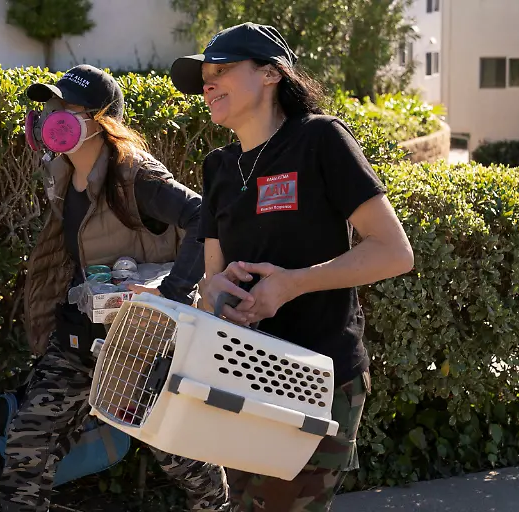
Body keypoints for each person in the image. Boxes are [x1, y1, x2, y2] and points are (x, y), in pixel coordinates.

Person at [170, 23, 414, 512]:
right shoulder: (218, 167)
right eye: (204, 77)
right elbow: (211, 280)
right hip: (240, 377)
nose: (208, 84)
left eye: (221, 71)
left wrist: (293, 285)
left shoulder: (320, 139)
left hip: (316, 379)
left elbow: (393, 251)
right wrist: (215, 292)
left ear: (269, 74)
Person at [0, 64, 230, 511]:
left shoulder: (135, 177)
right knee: (28, 447)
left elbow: (205, 216)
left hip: (135, 340)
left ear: (100, 119)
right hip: (77, 337)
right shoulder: (61, 175)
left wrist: (174, 293)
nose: (51, 116)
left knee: (178, 453)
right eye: (50, 106)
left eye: (67, 107)